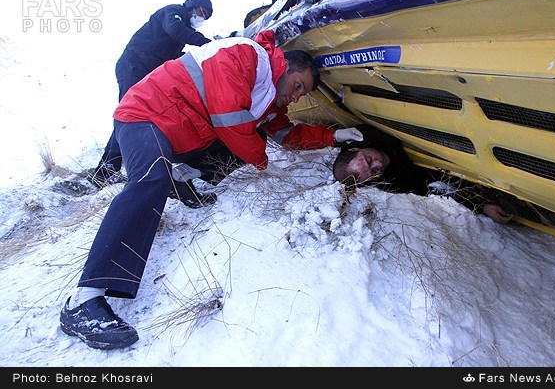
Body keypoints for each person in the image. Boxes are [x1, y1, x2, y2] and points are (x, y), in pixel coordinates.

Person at [60, 29, 364, 350]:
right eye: (297, 86)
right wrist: (261, 161)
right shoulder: (245, 55)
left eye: (303, 95)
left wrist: (334, 138)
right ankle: (84, 299)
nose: (296, 96)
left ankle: (185, 177)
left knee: (253, 137)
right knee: (151, 178)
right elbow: (228, 116)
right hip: (145, 115)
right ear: (283, 67)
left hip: (178, 137)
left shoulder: (268, 100)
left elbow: (287, 134)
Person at [87, 0, 214, 190]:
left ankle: (115, 168)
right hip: (133, 66)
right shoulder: (173, 13)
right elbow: (175, 30)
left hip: (146, 74)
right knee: (128, 116)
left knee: (138, 117)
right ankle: (105, 171)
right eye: (201, 12)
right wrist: (208, 44)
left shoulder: (183, 30)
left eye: (205, 17)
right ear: (192, 6)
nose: (201, 18)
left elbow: (172, 54)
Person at [333, 124, 514, 224]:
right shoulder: (396, 181)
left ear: (355, 148)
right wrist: (482, 204)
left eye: (369, 159)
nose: (378, 164)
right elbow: (438, 185)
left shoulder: (365, 131)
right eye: (374, 171)